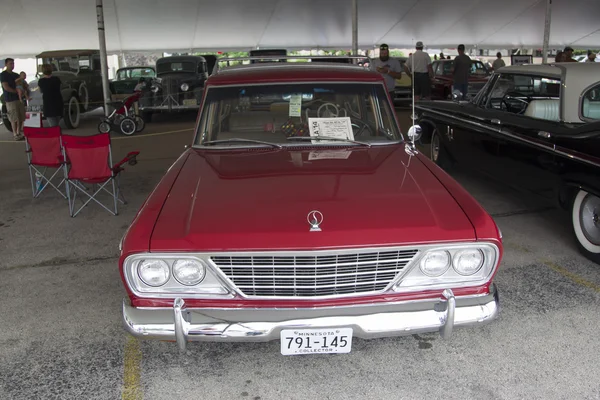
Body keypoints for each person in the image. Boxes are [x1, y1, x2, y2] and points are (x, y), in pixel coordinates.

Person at [0, 58, 26, 140]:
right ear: (6, 64)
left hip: (19, 99)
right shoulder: (3, 75)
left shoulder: (16, 75)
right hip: (10, 99)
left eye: (13, 63)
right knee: (14, 117)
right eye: (10, 63)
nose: (12, 65)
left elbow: (22, 83)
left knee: (21, 116)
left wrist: (23, 91)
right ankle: (15, 133)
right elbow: (6, 87)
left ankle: (19, 132)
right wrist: (16, 91)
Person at [37, 63, 63, 127]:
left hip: (48, 104)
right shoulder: (56, 79)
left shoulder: (41, 81)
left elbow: (41, 91)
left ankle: (56, 135)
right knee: (57, 123)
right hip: (58, 103)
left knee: (53, 125)